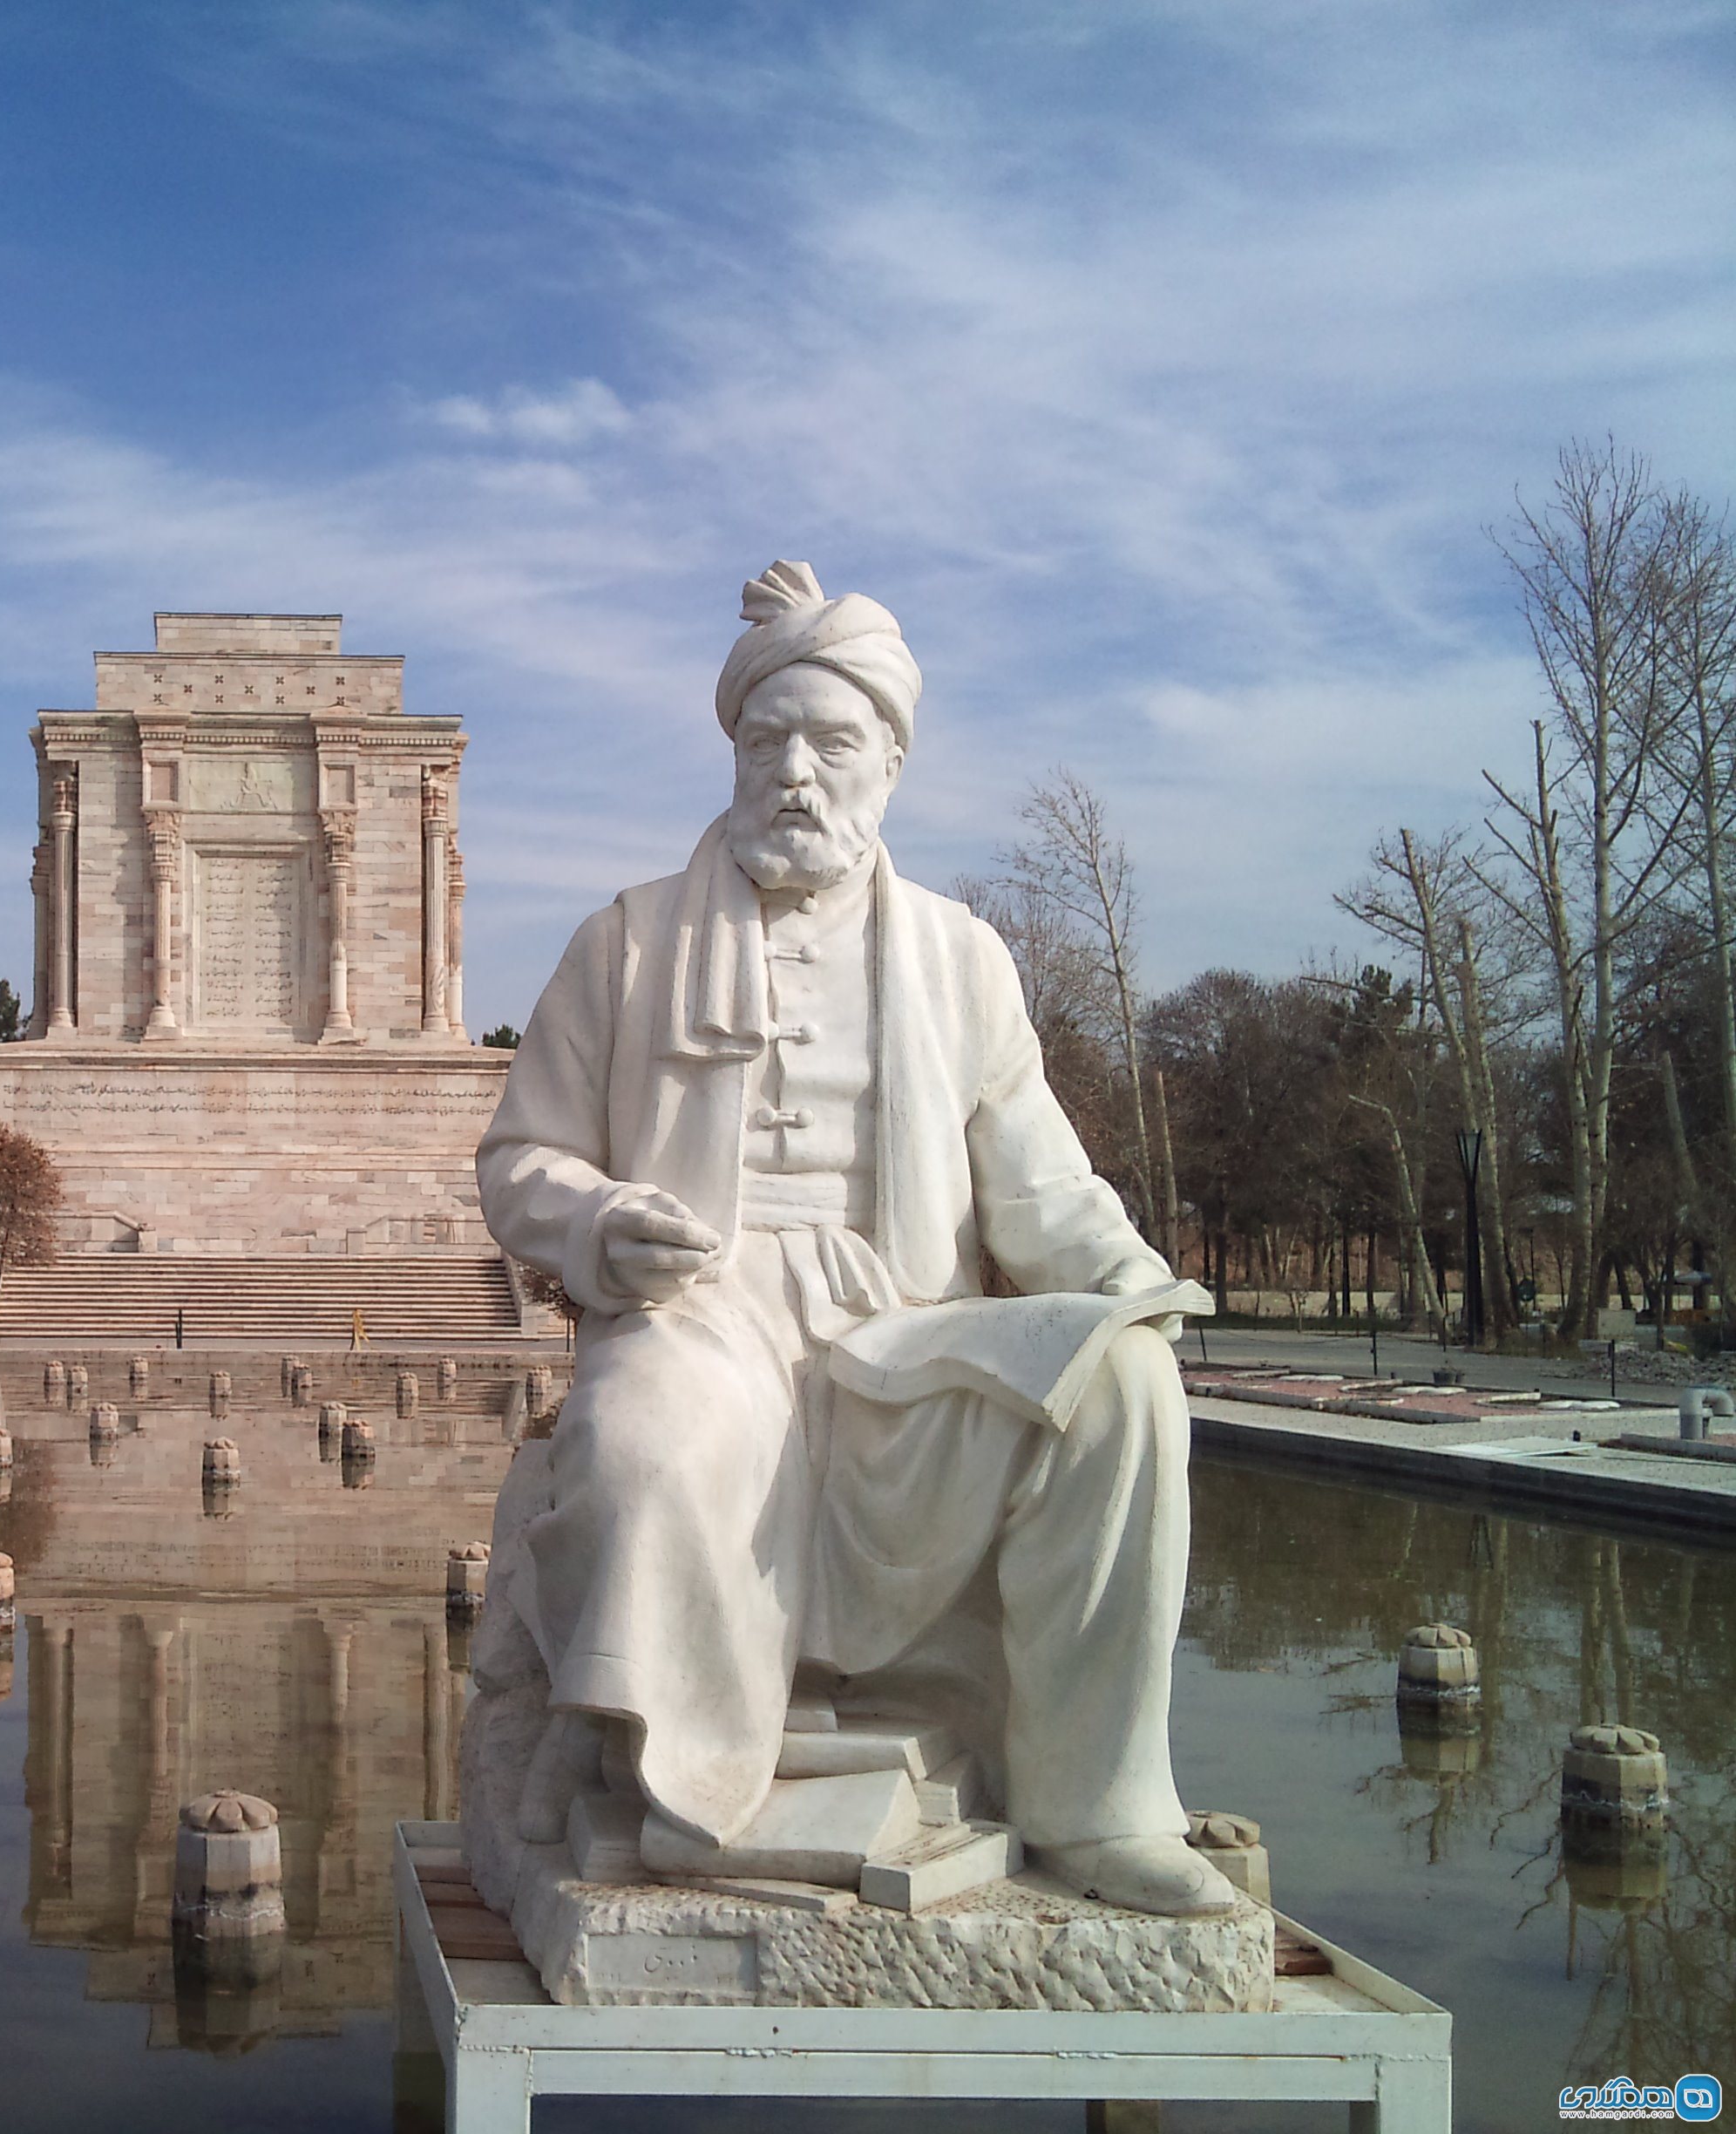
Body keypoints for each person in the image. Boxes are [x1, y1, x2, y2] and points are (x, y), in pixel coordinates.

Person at [477, 561, 1229, 1917]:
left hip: (899, 1323)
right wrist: (599, 1221)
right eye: (767, 742)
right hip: (702, 1316)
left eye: (831, 744)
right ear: (734, 755)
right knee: (639, 1442)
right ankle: (687, 1781)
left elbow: (1042, 1186)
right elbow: (522, 1156)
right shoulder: (627, 943)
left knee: (1123, 1383)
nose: (795, 775)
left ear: (889, 762)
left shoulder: (959, 956)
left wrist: (1130, 1287)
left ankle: (1098, 1806)